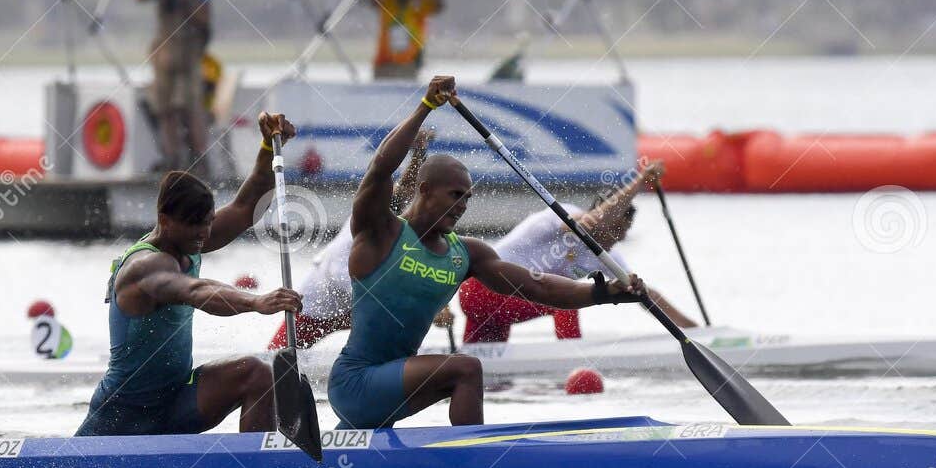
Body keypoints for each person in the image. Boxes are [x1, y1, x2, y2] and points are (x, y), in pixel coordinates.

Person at [328, 75, 646, 429]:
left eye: (468, 198)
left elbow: (539, 287)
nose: (463, 205)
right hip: (355, 382)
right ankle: (473, 465)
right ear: (424, 190)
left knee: (457, 373)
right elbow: (379, 168)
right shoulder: (380, 231)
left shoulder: (467, 254)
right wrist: (425, 106)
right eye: (454, 195)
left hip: (387, 391)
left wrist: (605, 294)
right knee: (466, 368)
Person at [75, 112, 303, 437]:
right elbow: (196, 290)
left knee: (257, 375)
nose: (205, 233)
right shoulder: (144, 267)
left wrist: (268, 145)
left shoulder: (190, 239)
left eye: (209, 222)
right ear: (165, 220)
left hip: (176, 399)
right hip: (122, 413)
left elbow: (245, 208)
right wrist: (256, 301)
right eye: (197, 225)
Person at [457, 160, 697, 343]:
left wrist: (692, 330)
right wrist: (640, 180)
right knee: (564, 298)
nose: (621, 237)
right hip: (481, 288)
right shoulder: (562, 219)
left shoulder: (608, 258)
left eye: (626, 230)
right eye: (618, 229)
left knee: (486, 369)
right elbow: (596, 221)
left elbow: (644, 296)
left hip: (503, 306)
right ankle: (573, 356)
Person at [267, 125, 440, 350]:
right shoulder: (364, 224)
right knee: (277, 355)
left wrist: (418, 151)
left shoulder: (394, 224)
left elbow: (406, 189)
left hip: (353, 308)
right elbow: (348, 281)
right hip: (315, 307)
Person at [136, 0, 211, 171]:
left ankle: (198, 156)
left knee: (190, 109)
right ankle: (172, 157)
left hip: (188, 58)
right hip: (164, 57)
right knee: (164, 109)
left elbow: (204, 20)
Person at [370, 0, 443, 80]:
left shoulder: (420, 0)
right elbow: (372, 0)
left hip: (409, 64)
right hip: (384, 63)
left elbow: (439, 6)